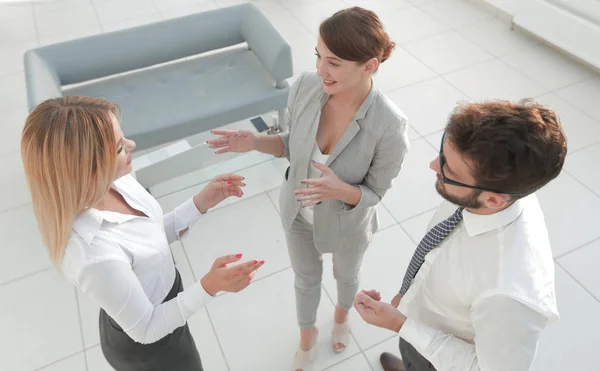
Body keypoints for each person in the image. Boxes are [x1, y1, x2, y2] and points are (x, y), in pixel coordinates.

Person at [207, 6, 409, 370]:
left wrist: (339, 190)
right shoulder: (304, 87)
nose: (320, 70)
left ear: (369, 66)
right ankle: (306, 334)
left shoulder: (390, 126)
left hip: (348, 225)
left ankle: (343, 316)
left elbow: (375, 194)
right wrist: (254, 142)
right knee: (305, 279)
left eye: (333, 63)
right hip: (297, 211)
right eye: (318, 56)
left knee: (346, 277)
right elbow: (290, 144)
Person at [21, 97, 265, 371]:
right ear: (86, 171)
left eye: (122, 139)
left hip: (159, 309)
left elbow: (149, 238)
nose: (131, 146)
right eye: (119, 148)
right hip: (150, 349)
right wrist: (211, 285)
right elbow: (147, 328)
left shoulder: (119, 180)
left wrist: (199, 204)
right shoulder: (93, 256)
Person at [353, 100, 567, 371]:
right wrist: (406, 306)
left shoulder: (508, 294)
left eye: (448, 170)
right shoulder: (499, 189)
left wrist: (400, 324)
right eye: (442, 155)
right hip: (420, 326)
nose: (433, 165)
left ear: (494, 201)